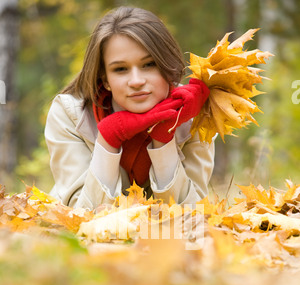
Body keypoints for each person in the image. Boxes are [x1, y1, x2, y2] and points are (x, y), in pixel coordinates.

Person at [44, 6, 215, 210]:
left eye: (148, 64)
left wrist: (163, 138)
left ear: (167, 65)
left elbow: (192, 214)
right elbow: (79, 215)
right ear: (104, 78)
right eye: (120, 69)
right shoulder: (69, 114)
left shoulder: (192, 113)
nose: (136, 81)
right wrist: (109, 139)